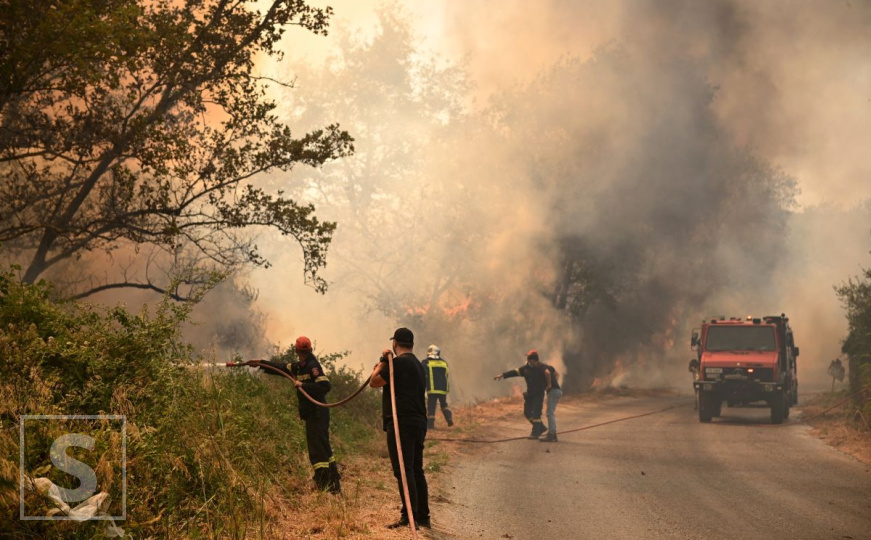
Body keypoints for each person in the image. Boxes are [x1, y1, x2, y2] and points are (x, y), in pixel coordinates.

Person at [250, 336, 341, 493]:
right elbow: (281, 368)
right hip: (313, 413)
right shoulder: (299, 366)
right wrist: (261, 363)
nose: (303, 353)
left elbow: (325, 386)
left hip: (317, 413)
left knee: (317, 450)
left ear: (298, 350)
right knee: (323, 448)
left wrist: (303, 384)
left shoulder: (313, 366)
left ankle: (324, 483)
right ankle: (333, 485)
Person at [370, 327, 431, 529]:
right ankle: (422, 516)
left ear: (395, 344)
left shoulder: (398, 363)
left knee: (404, 471)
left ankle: (409, 517)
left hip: (401, 423)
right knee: (416, 469)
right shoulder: (417, 364)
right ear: (411, 344)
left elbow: (374, 382)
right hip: (419, 422)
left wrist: (382, 362)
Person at [494, 350, 548, 439]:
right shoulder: (525, 369)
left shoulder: (541, 367)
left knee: (536, 414)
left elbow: (550, 374)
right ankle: (540, 427)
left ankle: (535, 433)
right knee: (527, 413)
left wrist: (550, 386)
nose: (528, 360)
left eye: (530, 358)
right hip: (530, 394)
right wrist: (503, 375)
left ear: (534, 359)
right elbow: (514, 372)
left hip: (538, 394)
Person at [422, 344, 454, 429]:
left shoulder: (426, 362)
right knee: (444, 404)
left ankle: (430, 425)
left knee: (431, 406)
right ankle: (449, 418)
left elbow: (422, 374)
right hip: (443, 389)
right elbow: (446, 374)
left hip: (432, 389)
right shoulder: (444, 362)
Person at [539, 360, 562, 443]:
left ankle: (551, 434)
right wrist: (554, 382)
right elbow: (557, 374)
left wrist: (549, 384)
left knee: (549, 413)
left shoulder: (540, 367)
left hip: (553, 391)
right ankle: (553, 435)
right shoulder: (549, 366)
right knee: (550, 412)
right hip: (557, 390)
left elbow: (547, 373)